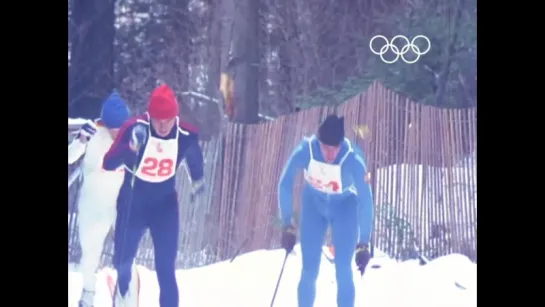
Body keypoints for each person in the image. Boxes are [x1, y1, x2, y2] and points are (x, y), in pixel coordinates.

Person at [102, 84, 205, 307]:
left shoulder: (185, 134)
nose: (163, 125)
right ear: (150, 116)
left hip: (164, 207)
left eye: (168, 119)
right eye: (158, 119)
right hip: (133, 203)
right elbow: (109, 162)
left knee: (166, 269)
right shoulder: (134, 128)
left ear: (175, 116)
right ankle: (124, 292)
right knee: (122, 261)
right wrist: (130, 147)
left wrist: (198, 182)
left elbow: (195, 158)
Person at [277, 114, 374, 307]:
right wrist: (287, 223)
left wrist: (364, 242)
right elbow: (285, 182)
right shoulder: (307, 149)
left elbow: (366, 199)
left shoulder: (352, 158)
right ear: (318, 142)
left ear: (341, 145)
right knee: (309, 269)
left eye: (335, 149)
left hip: (344, 208)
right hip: (314, 206)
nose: (330, 155)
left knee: (343, 269)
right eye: (325, 148)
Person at [68, 92, 131, 307]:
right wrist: (80, 141)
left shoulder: (130, 136)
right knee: (90, 252)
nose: (117, 132)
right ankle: (88, 294)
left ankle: (123, 295)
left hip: (119, 203)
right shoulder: (92, 133)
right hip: (93, 204)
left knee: (125, 251)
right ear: (105, 122)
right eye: (115, 128)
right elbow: (70, 157)